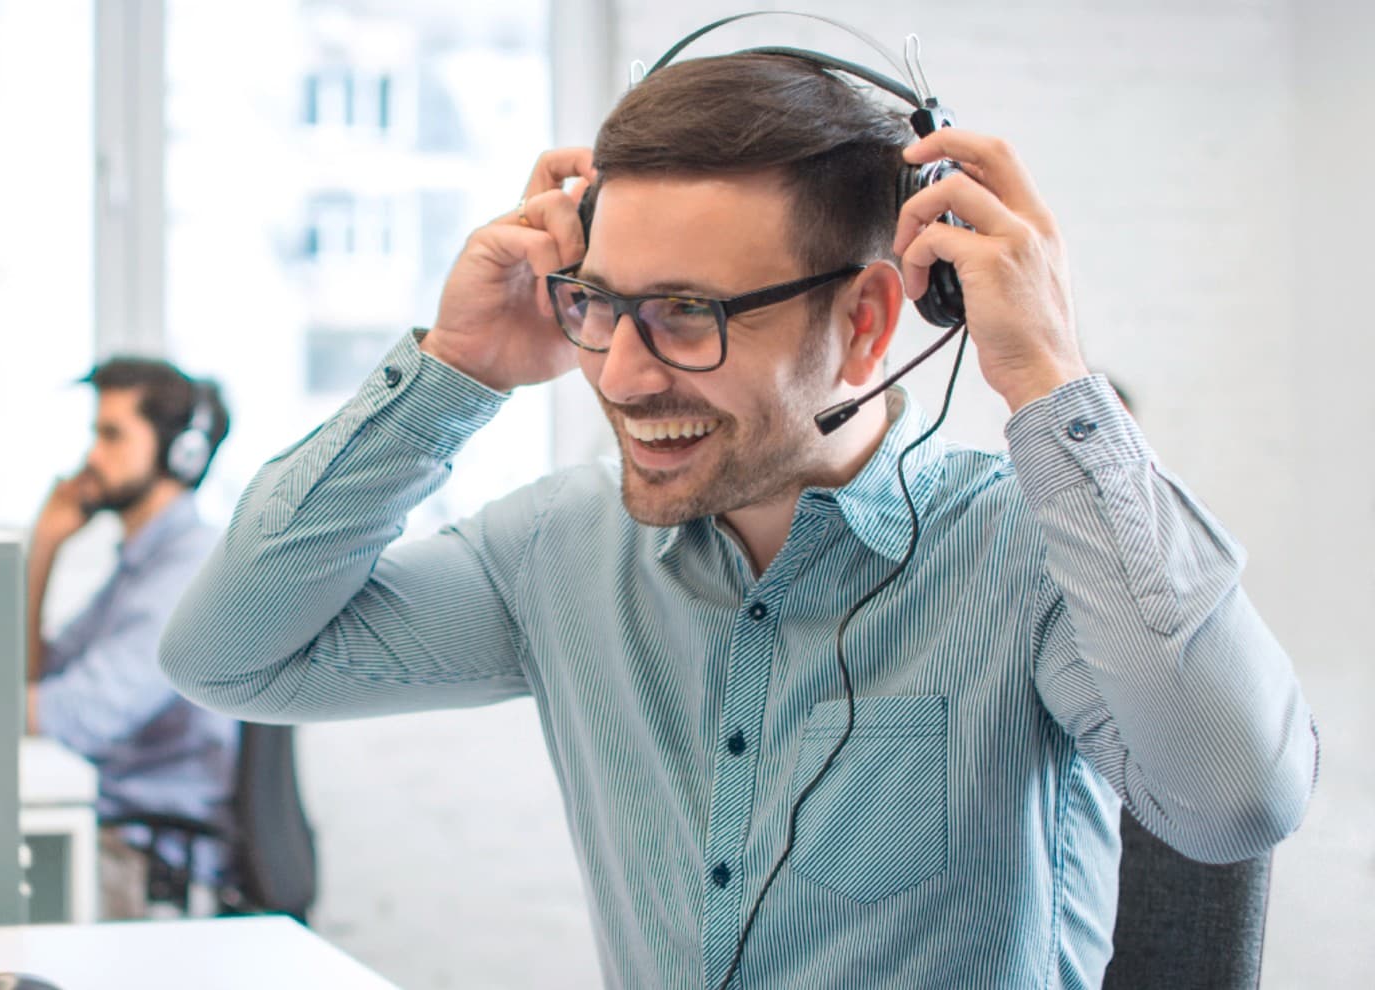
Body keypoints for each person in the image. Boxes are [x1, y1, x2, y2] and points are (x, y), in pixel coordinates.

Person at [159, 52, 1317, 987]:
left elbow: (1233, 805)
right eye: (599, 307)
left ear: (865, 324)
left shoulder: (1022, 552)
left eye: (686, 314)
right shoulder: (559, 549)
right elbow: (226, 661)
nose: (617, 373)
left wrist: (1049, 382)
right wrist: (455, 370)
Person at [27, 356, 238, 919]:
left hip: (145, 856)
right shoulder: (140, 567)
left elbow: (73, 717)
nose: (92, 457)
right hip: (111, 831)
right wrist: (44, 547)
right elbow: (38, 677)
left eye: (112, 435)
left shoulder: (189, 570)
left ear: (181, 453)